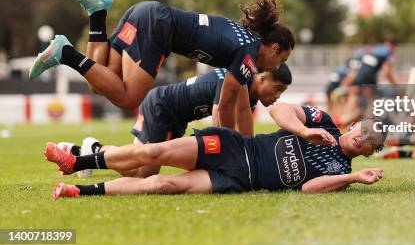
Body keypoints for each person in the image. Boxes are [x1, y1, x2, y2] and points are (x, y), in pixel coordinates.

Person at [29, 0, 295, 127]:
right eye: (280, 60)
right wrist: (230, 150)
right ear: (273, 48)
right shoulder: (249, 54)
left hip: (145, 13)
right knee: (128, 98)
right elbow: (227, 105)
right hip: (158, 26)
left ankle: (97, 13)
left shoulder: (244, 41)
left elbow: (238, 105)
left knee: (99, 81)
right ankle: (64, 52)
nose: (275, 67)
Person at [44, 104, 386, 198]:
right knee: (154, 153)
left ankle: (80, 189)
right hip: (232, 148)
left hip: (238, 180)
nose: (363, 137)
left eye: (371, 141)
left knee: (163, 185)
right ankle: (78, 161)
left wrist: (353, 177)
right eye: (364, 129)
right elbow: (280, 108)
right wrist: (303, 130)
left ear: (370, 152)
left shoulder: (342, 171)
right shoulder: (322, 122)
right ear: (355, 124)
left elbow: (308, 188)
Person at [59, 63, 292, 178]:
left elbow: (243, 135)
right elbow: (219, 116)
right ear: (261, 77)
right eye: (277, 88)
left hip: (173, 115)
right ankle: (90, 153)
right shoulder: (235, 81)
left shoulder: (247, 96)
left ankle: (88, 151)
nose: (278, 95)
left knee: (139, 165)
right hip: (162, 107)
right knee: (143, 174)